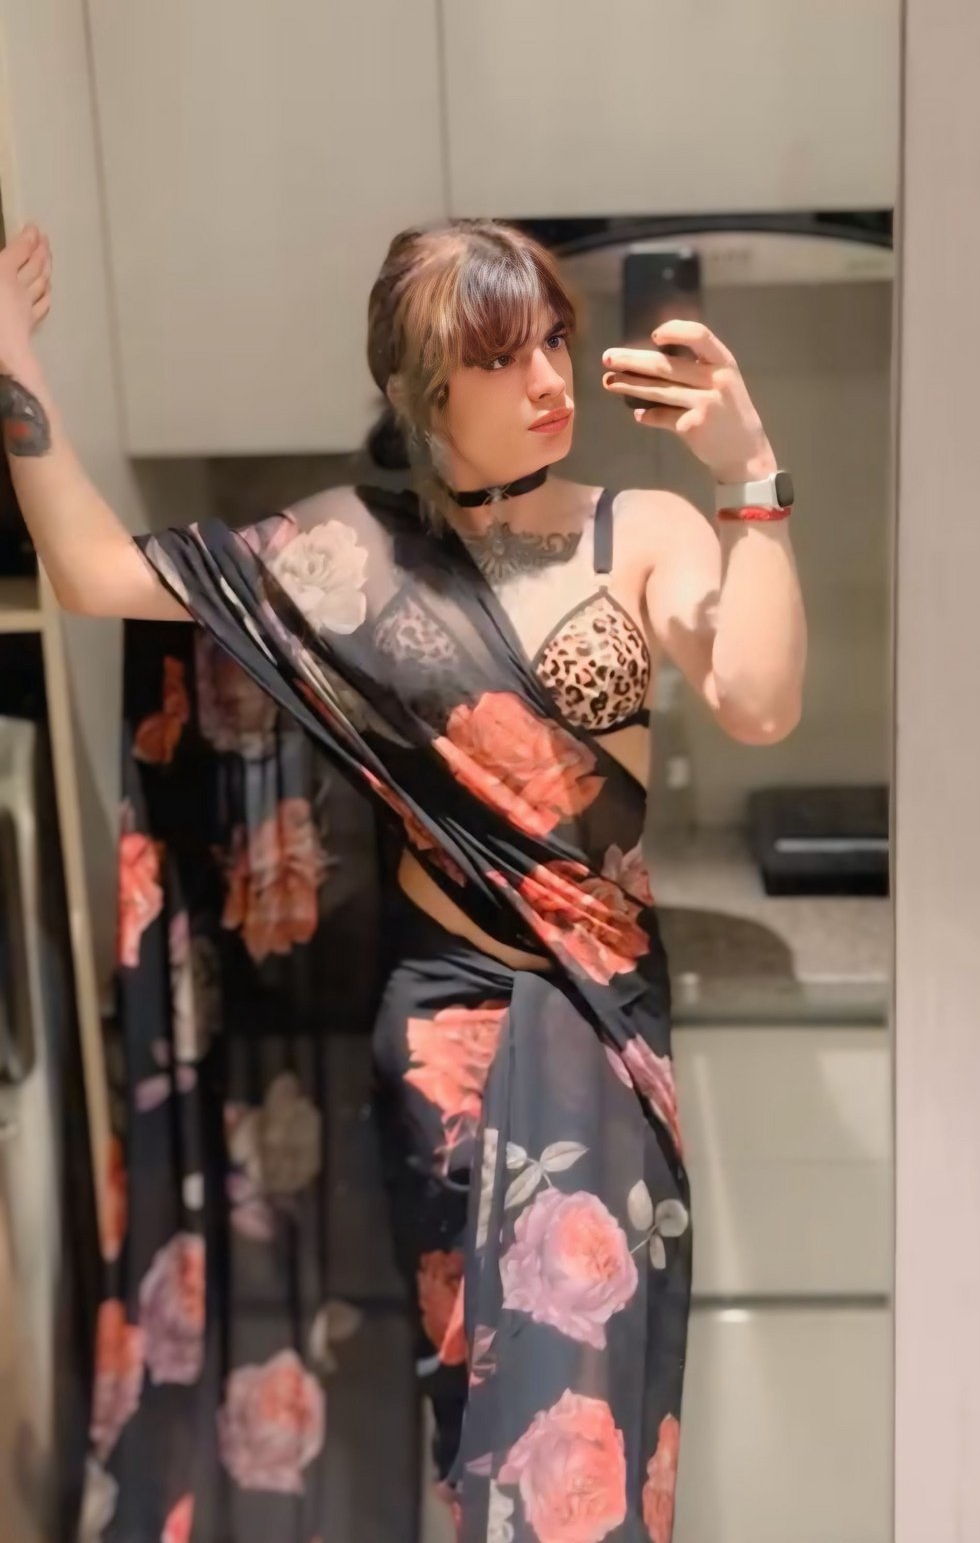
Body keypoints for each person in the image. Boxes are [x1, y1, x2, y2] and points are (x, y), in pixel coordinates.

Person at [0, 216, 805, 1543]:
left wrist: (750, 473)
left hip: (600, 1025)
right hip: (441, 1037)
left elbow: (758, 702)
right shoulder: (348, 555)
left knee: (587, 1444)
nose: (548, 378)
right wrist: (13, 358)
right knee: (482, 1431)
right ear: (426, 390)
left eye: (554, 339)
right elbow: (92, 576)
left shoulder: (643, 530)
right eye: (501, 355)